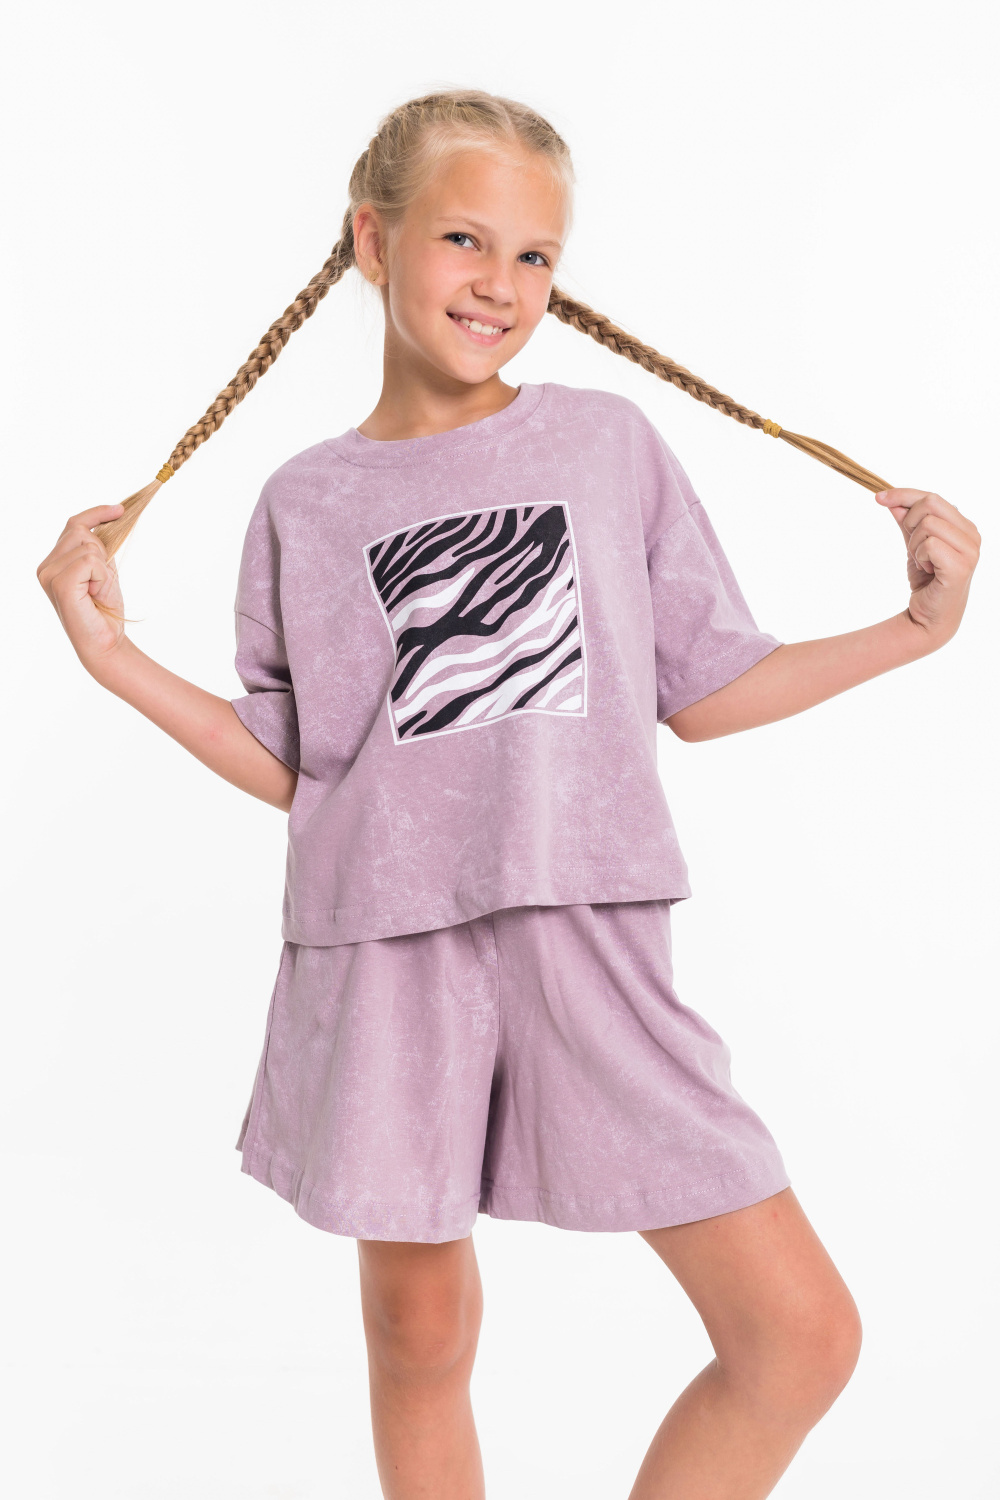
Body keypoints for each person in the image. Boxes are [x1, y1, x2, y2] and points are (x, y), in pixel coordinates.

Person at [35, 90, 980, 1500]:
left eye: (535, 255)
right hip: (384, 946)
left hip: (583, 926)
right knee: (417, 1333)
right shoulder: (304, 500)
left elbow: (705, 687)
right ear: (374, 240)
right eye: (465, 239)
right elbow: (301, 764)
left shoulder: (603, 443)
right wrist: (113, 660)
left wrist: (912, 633)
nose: (500, 284)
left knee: (799, 1337)